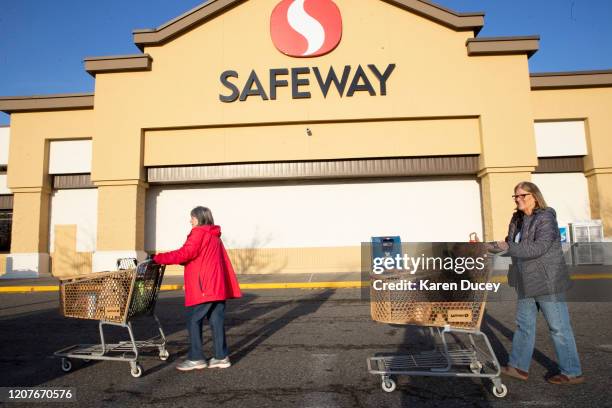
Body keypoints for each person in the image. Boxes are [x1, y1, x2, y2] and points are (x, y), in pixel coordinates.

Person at [492, 181, 584, 385]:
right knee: (524, 325)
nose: (518, 199)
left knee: (558, 328)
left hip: (547, 281)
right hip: (525, 281)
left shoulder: (545, 218)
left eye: (522, 195)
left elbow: (538, 248)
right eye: (515, 196)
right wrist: (494, 246)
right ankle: (518, 366)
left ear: (534, 196)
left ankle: (572, 372)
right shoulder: (517, 218)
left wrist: (509, 246)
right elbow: (512, 243)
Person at [153, 206, 242, 371]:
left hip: (204, 286)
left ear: (199, 218)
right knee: (216, 321)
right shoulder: (214, 235)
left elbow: (185, 253)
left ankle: (196, 358)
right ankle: (221, 357)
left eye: (192, 218)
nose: (190, 221)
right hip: (216, 285)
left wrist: (158, 258)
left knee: (193, 319)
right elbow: (197, 255)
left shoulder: (199, 233)